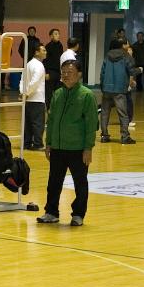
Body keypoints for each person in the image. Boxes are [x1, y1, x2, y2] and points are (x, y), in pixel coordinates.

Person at [37, 59, 97, 226]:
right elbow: (52, 120)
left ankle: (78, 214)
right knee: (53, 182)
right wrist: (48, 143)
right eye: (63, 72)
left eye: (69, 73)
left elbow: (91, 124)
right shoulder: (57, 94)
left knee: (80, 183)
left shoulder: (86, 95)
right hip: (58, 147)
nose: (65, 76)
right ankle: (51, 212)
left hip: (77, 148)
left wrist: (88, 148)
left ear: (79, 75)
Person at [99, 38, 135, 144]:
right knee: (123, 114)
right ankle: (125, 137)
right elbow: (132, 70)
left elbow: (102, 73)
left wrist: (103, 87)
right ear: (122, 45)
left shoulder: (107, 55)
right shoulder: (126, 56)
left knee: (105, 114)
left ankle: (104, 136)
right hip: (119, 89)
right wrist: (140, 70)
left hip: (107, 89)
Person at [20, 44, 47, 150]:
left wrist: (23, 92)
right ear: (36, 52)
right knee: (38, 123)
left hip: (28, 99)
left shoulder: (28, 64)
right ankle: (37, 144)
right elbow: (34, 82)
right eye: (43, 50)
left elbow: (22, 80)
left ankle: (26, 143)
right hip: (37, 98)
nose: (45, 52)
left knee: (28, 123)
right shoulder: (39, 66)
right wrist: (27, 93)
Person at [44, 28, 64, 102]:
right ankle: (49, 109)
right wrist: (46, 73)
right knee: (49, 93)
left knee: (58, 92)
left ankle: (57, 109)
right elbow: (45, 61)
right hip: (50, 72)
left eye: (58, 34)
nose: (58, 35)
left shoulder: (60, 45)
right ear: (51, 36)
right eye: (55, 34)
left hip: (58, 72)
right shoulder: (48, 46)